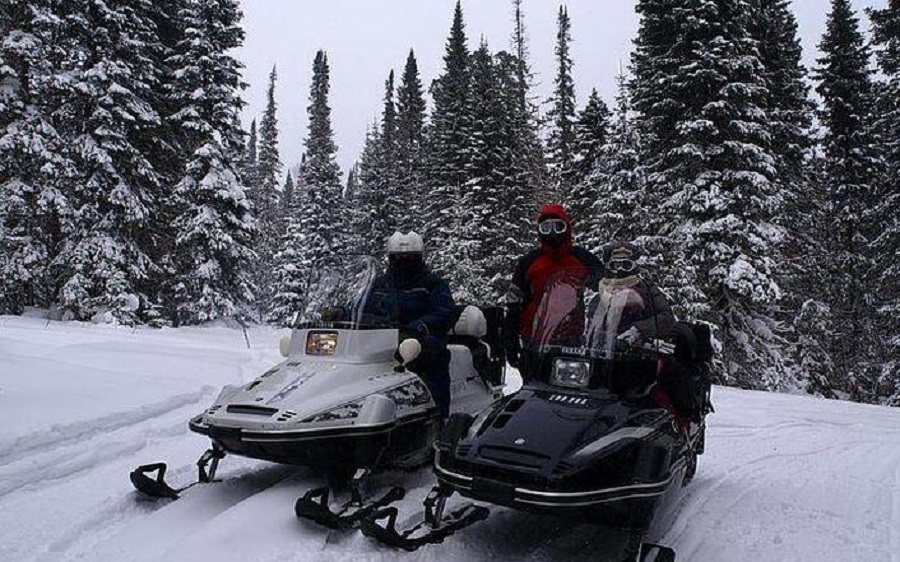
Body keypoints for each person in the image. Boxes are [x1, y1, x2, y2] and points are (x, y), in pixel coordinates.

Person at [504, 204, 602, 376]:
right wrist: (510, 340)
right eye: (546, 227)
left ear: (567, 228)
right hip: (535, 336)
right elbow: (514, 303)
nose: (552, 233)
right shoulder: (529, 262)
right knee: (534, 386)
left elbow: (606, 286)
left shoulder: (581, 258)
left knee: (571, 386)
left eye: (558, 226)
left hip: (570, 335)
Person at [373, 231, 455, 420]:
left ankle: (439, 416)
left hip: (421, 339)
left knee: (434, 358)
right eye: (398, 257)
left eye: (409, 257)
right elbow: (364, 305)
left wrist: (420, 326)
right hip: (384, 337)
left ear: (419, 257)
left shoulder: (432, 283)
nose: (403, 261)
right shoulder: (380, 284)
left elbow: (445, 311)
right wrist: (342, 312)